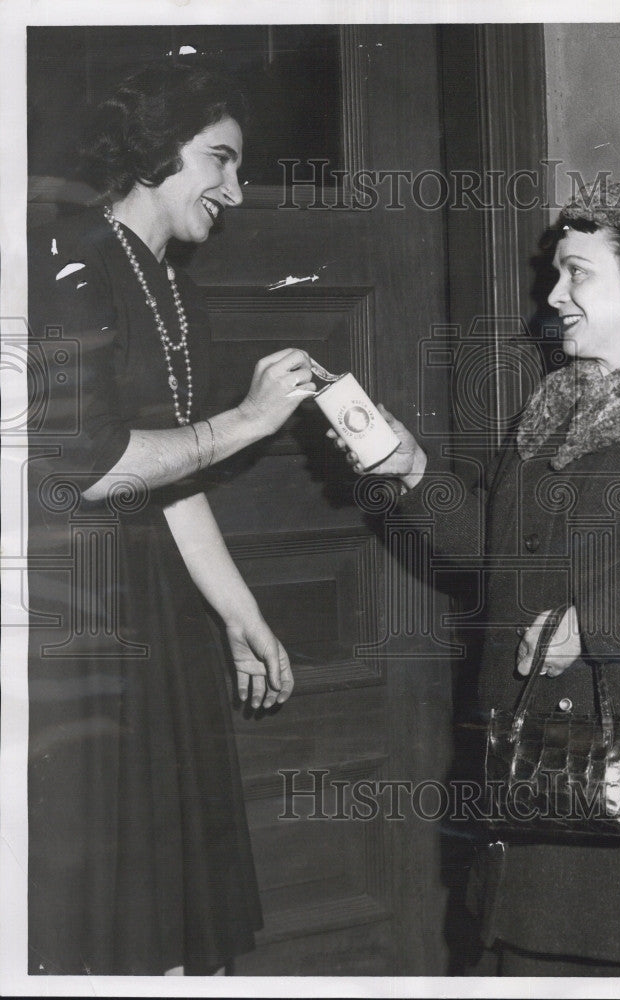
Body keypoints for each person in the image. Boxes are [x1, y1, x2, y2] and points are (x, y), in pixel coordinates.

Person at [330, 182, 620, 976]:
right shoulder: (552, 406)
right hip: (535, 768)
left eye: (575, 274)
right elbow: (494, 552)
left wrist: (590, 628)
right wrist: (411, 469)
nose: (552, 296)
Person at [27, 64, 317, 975]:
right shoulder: (67, 259)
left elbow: (172, 472)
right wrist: (249, 420)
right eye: (219, 161)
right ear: (155, 151)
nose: (235, 189)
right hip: (76, 617)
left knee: (174, 919)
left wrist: (238, 612)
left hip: (157, 605)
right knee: (102, 919)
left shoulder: (166, 282)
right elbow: (101, 465)